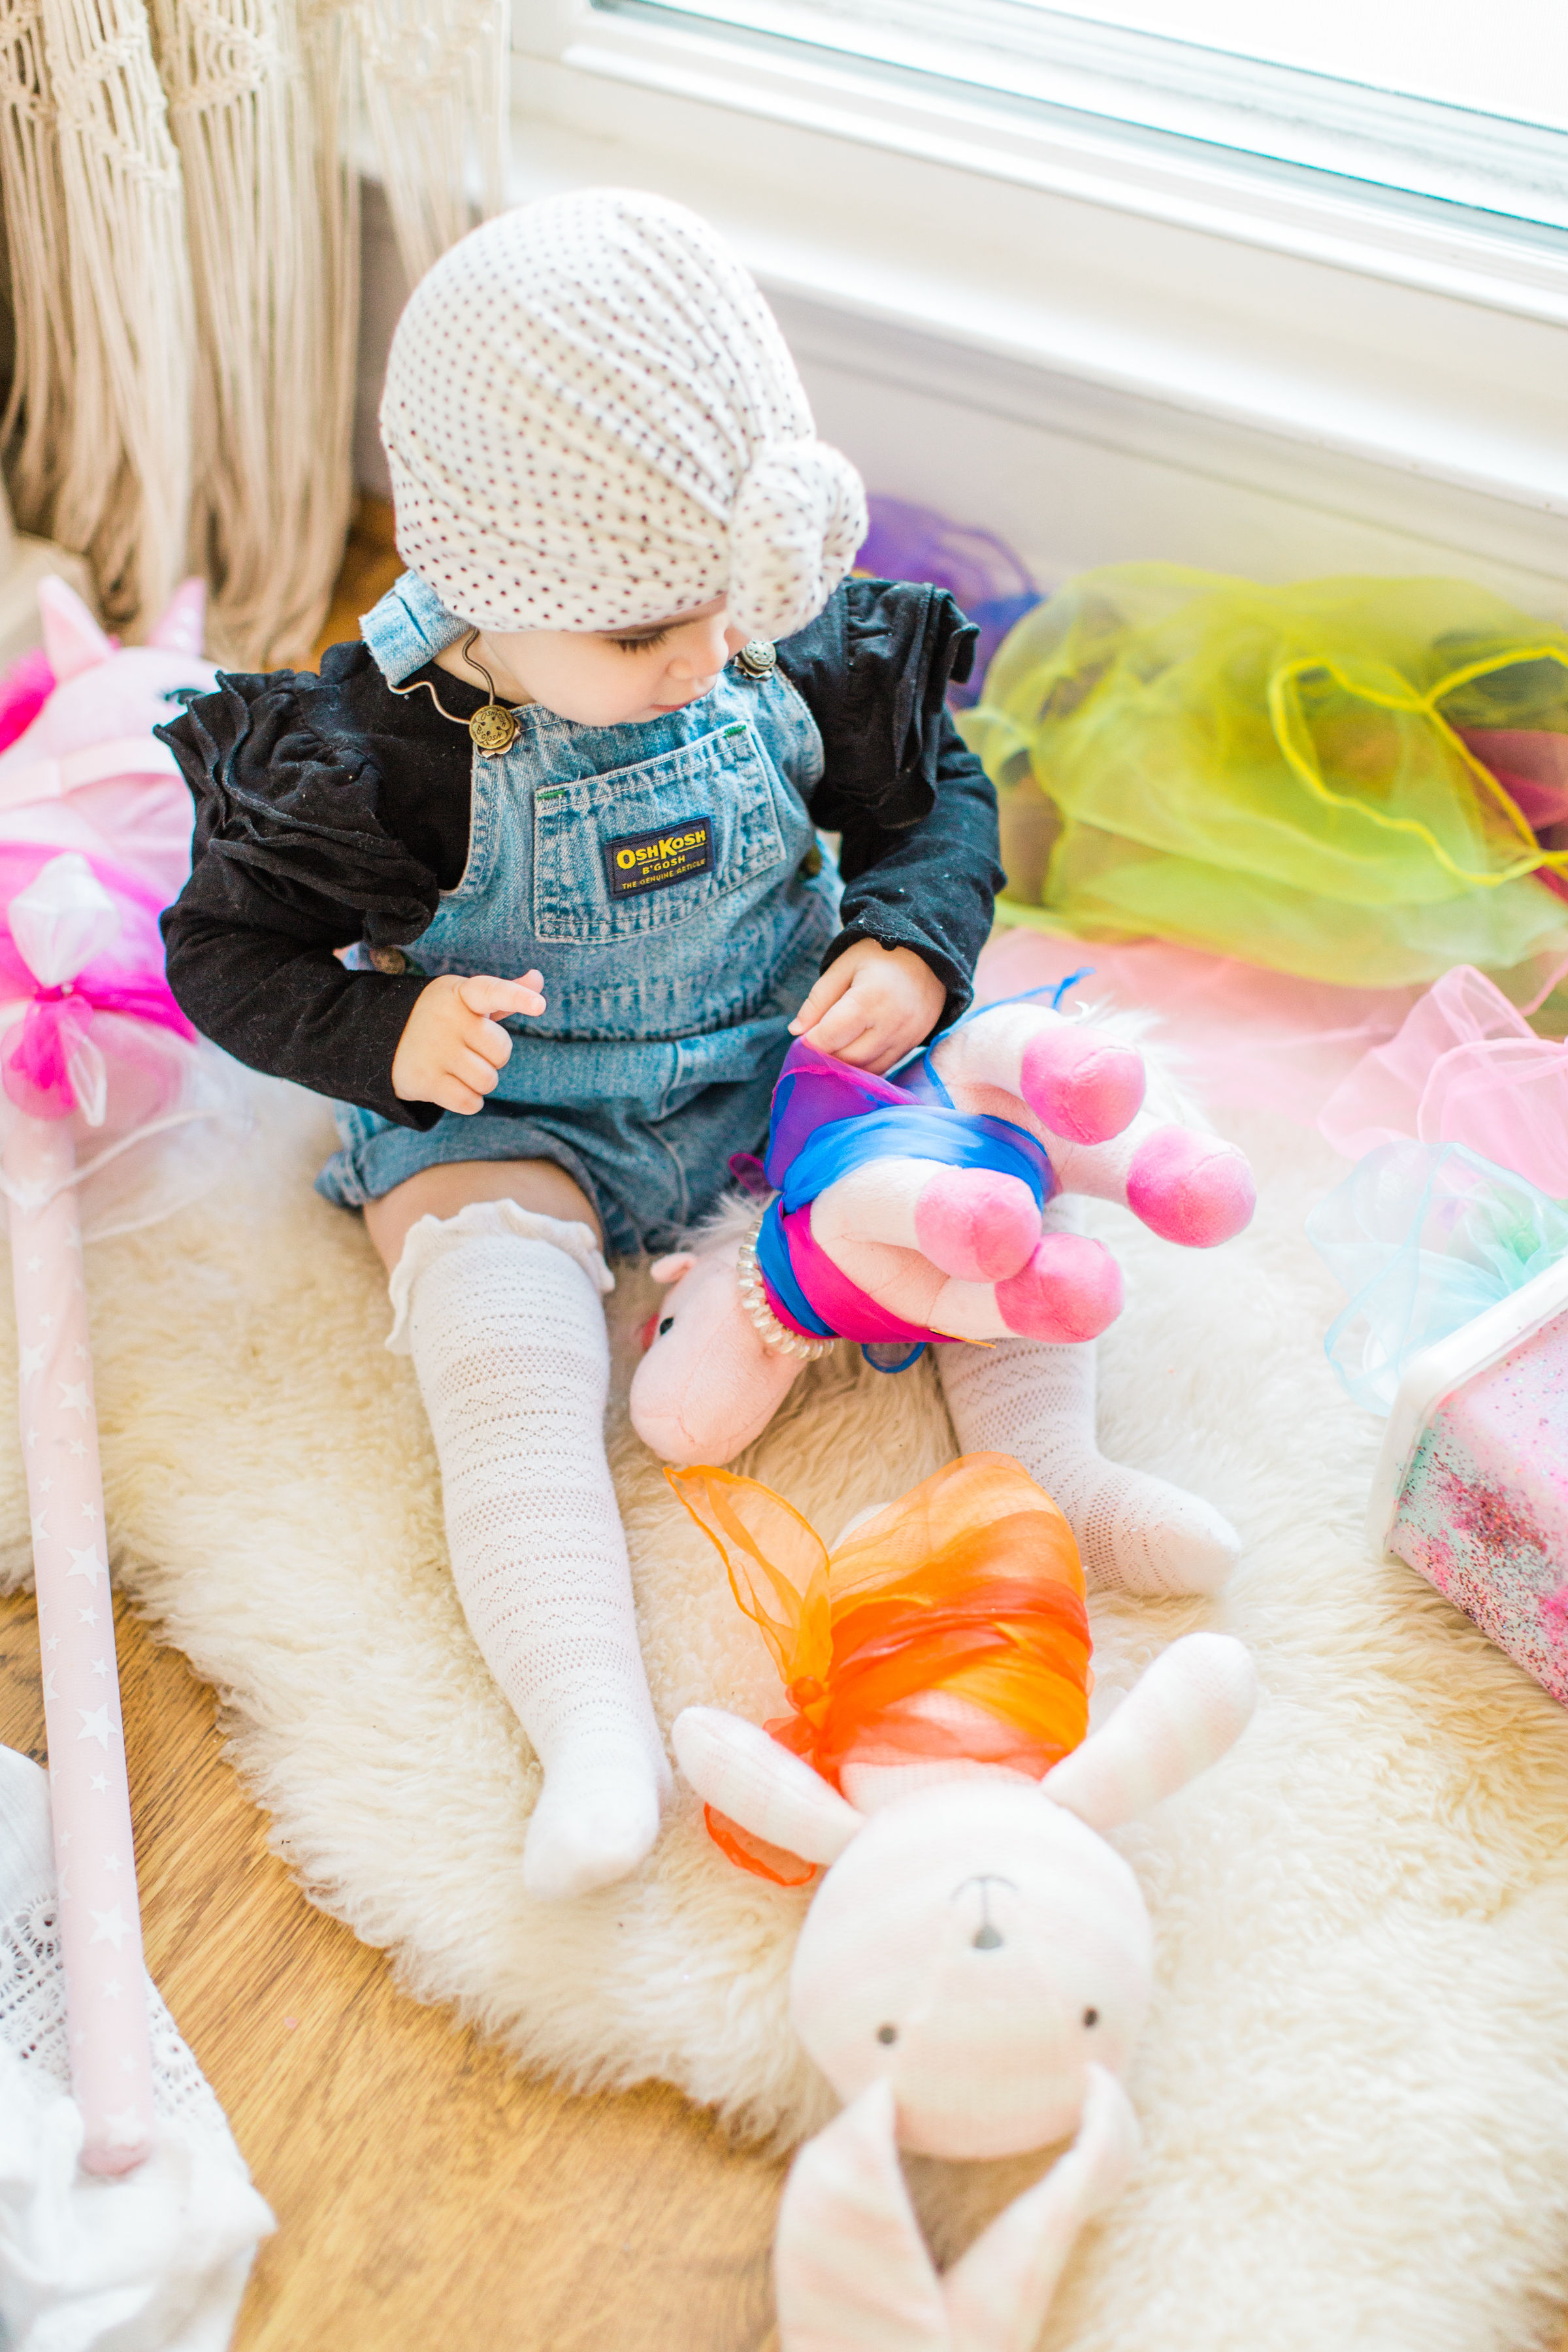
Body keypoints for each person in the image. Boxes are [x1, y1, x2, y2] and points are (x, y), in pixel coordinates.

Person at [158, 188, 1002, 1901]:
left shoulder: (765, 639)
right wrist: (388, 1027)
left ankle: (1066, 1467)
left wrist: (912, 949)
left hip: (781, 1055)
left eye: (724, 612)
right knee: (499, 1340)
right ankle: (590, 1724)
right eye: (643, 635)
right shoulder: (380, 753)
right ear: (481, 588)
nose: (705, 658)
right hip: (522, 1115)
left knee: (982, 1195)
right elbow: (222, 954)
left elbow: (938, 804)